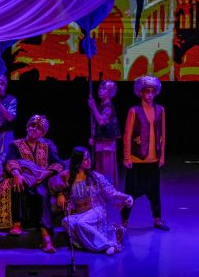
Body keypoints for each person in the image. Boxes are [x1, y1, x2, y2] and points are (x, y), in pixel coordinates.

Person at [0, 115, 64, 253]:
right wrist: (17, 174)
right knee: (18, 185)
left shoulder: (46, 146)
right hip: (21, 178)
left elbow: (58, 163)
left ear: (43, 133)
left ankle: (46, 238)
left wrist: (46, 173)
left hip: (39, 181)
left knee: (42, 194)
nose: (33, 129)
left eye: (38, 128)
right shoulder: (16, 144)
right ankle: (17, 222)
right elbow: (9, 160)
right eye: (32, 125)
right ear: (27, 127)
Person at [57, 147, 133, 254]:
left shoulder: (95, 177)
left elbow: (111, 192)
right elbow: (53, 182)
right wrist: (60, 194)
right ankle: (86, 245)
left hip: (95, 210)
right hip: (78, 213)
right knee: (66, 221)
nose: (89, 161)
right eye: (85, 159)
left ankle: (110, 244)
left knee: (81, 223)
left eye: (89, 158)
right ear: (77, 161)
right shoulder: (68, 177)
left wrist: (126, 197)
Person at [121, 76, 169, 231]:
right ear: (140, 93)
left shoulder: (160, 110)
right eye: (146, 91)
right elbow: (127, 134)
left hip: (153, 159)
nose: (149, 95)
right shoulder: (134, 111)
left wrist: (162, 156)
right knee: (130, 192)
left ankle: (157, 219)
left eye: (152, 92)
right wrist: (127, 156)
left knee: (155, 192)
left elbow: (162, 134)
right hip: (137, 159)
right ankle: (124, 221)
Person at [88, 80, 121, 188]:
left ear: (110, 92)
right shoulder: (101, 106)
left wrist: (93, 107)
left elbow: (102, 121)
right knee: (99, 169)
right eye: (100, 88)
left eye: (104, 89)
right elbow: (96, 125)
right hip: (100, 142)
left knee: (106, 170)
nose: (100, 90)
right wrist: (93, 138)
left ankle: (108, 191)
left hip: (107, 144)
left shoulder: (108, 107)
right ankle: (101, 191)